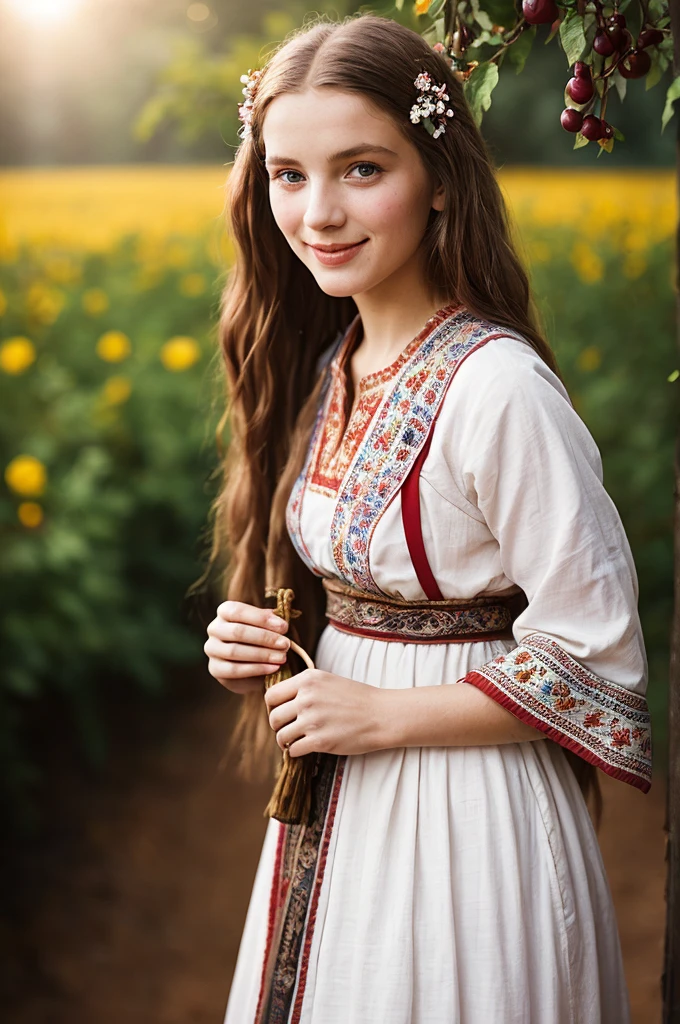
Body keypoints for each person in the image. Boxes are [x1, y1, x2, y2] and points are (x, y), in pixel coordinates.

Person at [202, 13, 652, 1024]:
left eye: (361, 169)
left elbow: (597, 652)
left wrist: (384, 715)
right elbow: (358, 592)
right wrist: (265, 642)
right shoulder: (332, 364)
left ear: (439, 175)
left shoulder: (500, 390)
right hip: (342, 805)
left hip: (467, 813)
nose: (317, 212)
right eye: (287, 174)